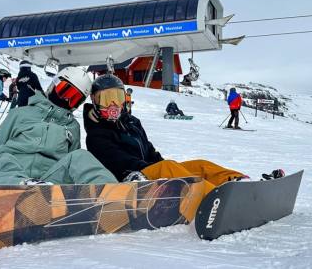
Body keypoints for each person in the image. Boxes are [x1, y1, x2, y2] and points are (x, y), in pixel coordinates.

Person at [83, 74, 249, 199]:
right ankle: (214, 199)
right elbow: (118, 161)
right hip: (131, 182)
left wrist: (162, 165)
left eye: (117, 97)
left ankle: (240, 184)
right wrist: (159, 168)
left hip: (150, 171)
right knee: (168, 167)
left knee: (200, 165)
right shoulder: (96, 133)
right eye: (106, 98)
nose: (113, 105)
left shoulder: (132, 122)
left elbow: (149, 149)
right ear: (95, 101)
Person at [0, 67, 117, 185]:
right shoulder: (20, 114)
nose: (66, 100)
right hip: (7, 180)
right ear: (54, 85)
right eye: (65, 90)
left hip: (49, 184)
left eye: (74, 98)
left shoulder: (72, 126)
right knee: (2, 158)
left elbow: (72, 163)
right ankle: (23, 189)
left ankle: (112, 195)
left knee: (80, 156)